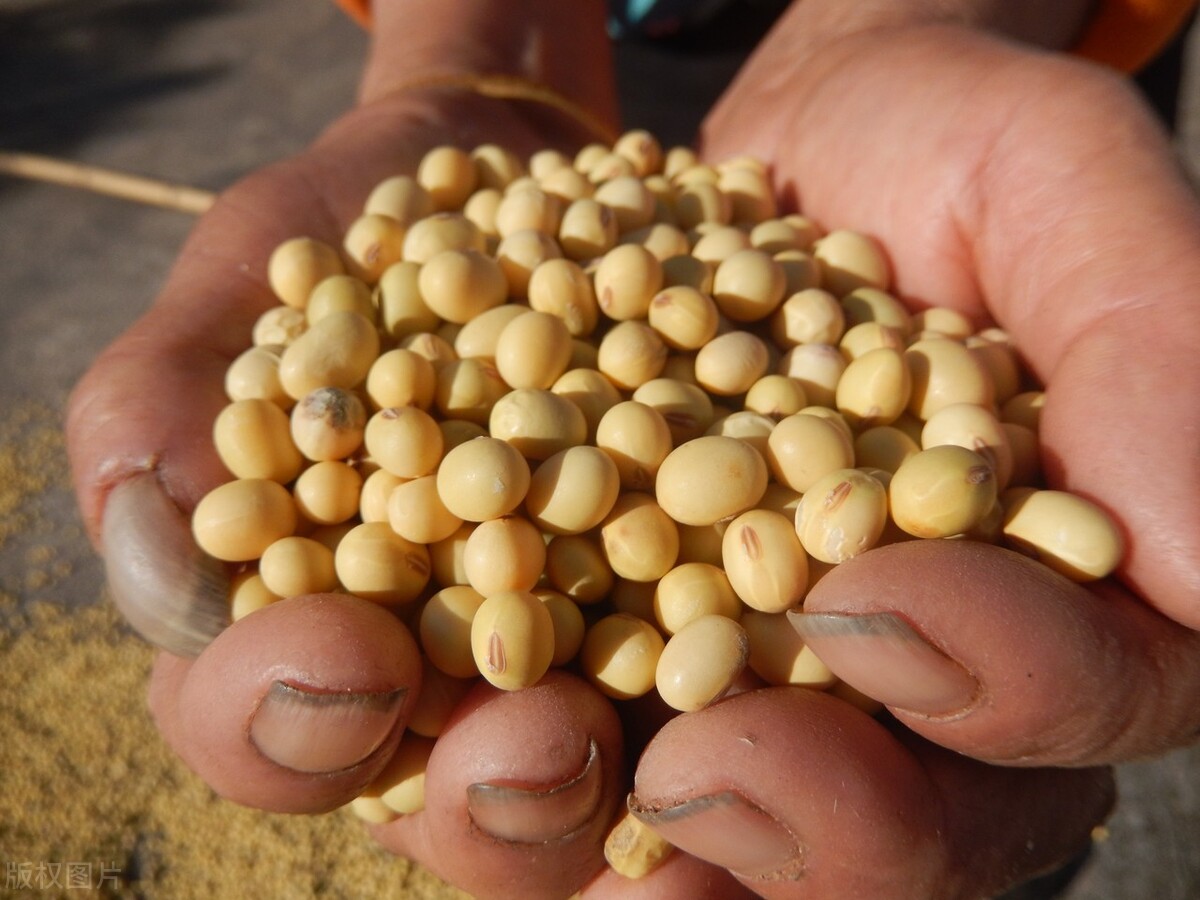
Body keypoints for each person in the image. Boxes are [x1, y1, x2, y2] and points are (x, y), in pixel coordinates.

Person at [67, 1, 1200, 897]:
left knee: (924, 799)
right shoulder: (443, 339)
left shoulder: (813, 375)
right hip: (581, 78)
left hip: (944, 65)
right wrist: (476, 50)